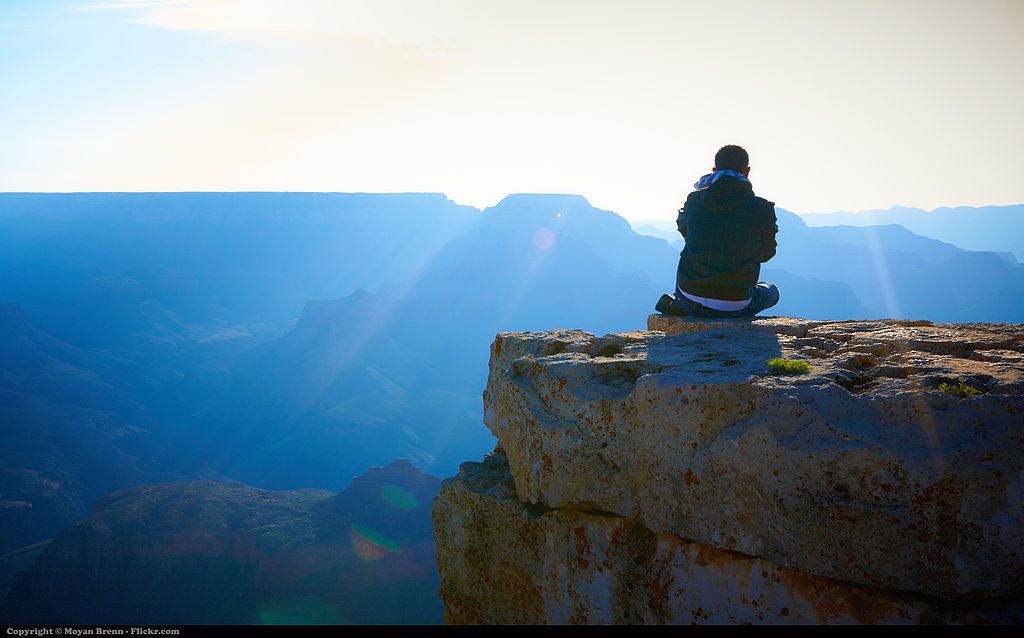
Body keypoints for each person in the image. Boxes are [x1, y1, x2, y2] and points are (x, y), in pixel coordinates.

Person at [655, 144, 780, 318]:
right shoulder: (762, 208)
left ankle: (682, 305)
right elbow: (766, 254)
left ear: (714, 170)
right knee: (771, 291)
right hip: (736, 301)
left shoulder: (694, 201)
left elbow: (686, 233)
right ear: (747, 171)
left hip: (689, 295)